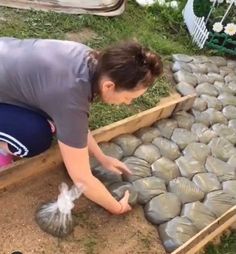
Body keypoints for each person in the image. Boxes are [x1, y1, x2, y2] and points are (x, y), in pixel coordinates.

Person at [0, 37, 163, 215]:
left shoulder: (91, 61)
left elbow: (76, 125)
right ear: (109, 86)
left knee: (52, 121)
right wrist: (117, 207)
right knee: (34, 139)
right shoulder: (70, 96)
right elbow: (81, 178)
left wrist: (102, 158)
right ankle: (2, 147)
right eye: (129, 97)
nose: (129, 103)